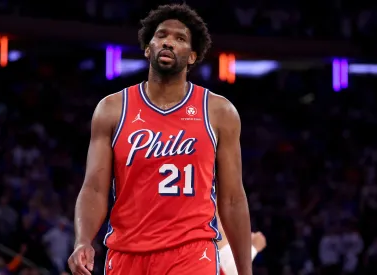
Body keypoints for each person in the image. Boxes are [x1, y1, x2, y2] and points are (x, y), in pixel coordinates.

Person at [68, 4, 252, 275]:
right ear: (147, 47)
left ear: (191, 56)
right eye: (162, 35)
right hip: (126, 252)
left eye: (180, 38)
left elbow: (234, 198)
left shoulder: (219, 112)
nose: (168, 41)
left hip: (191, 251)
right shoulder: (112, 109)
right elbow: (94, 188)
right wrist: (82, 240)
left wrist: (244, 270)